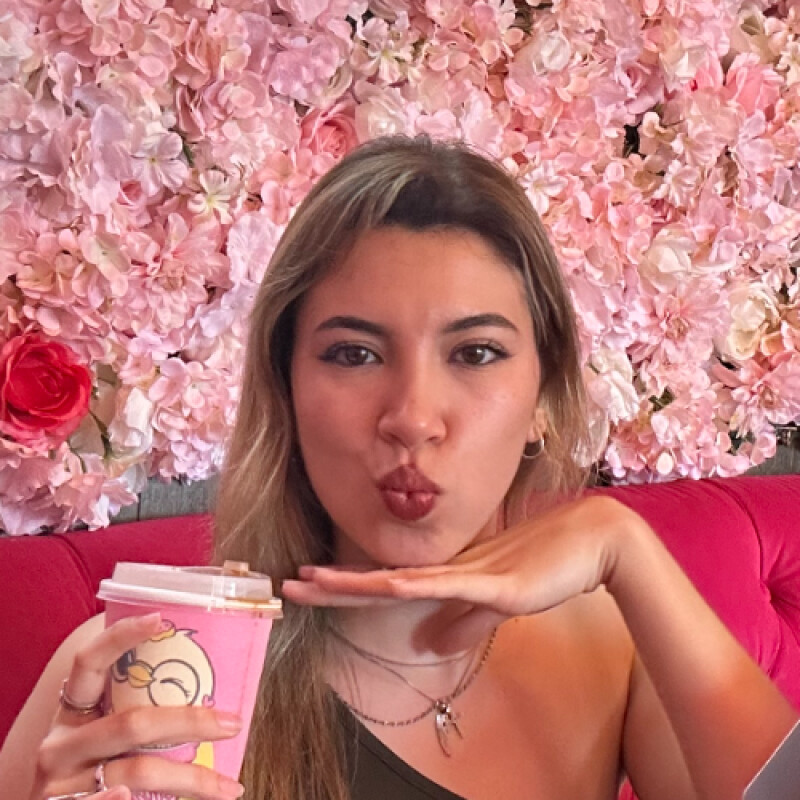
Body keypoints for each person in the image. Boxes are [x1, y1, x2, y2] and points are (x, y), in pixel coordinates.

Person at [0, 135, 797, 800]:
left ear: (546, 398)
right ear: (287, 388)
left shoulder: (613, 643)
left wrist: (630, 548)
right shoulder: (142, 664)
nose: (412, 417)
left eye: (475, 353)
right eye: (354, 354)